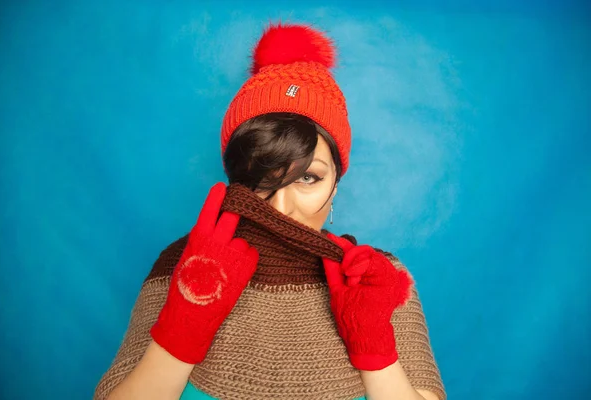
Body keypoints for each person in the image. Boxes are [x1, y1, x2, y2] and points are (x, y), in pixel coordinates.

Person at [94, 22, 445, 400]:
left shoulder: (380, 281)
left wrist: (376, 352)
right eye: (261, 178)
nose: (280, 207)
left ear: (336, 183)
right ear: (235, 179)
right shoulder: (182, 263)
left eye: (308, 178)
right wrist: (181, 329)